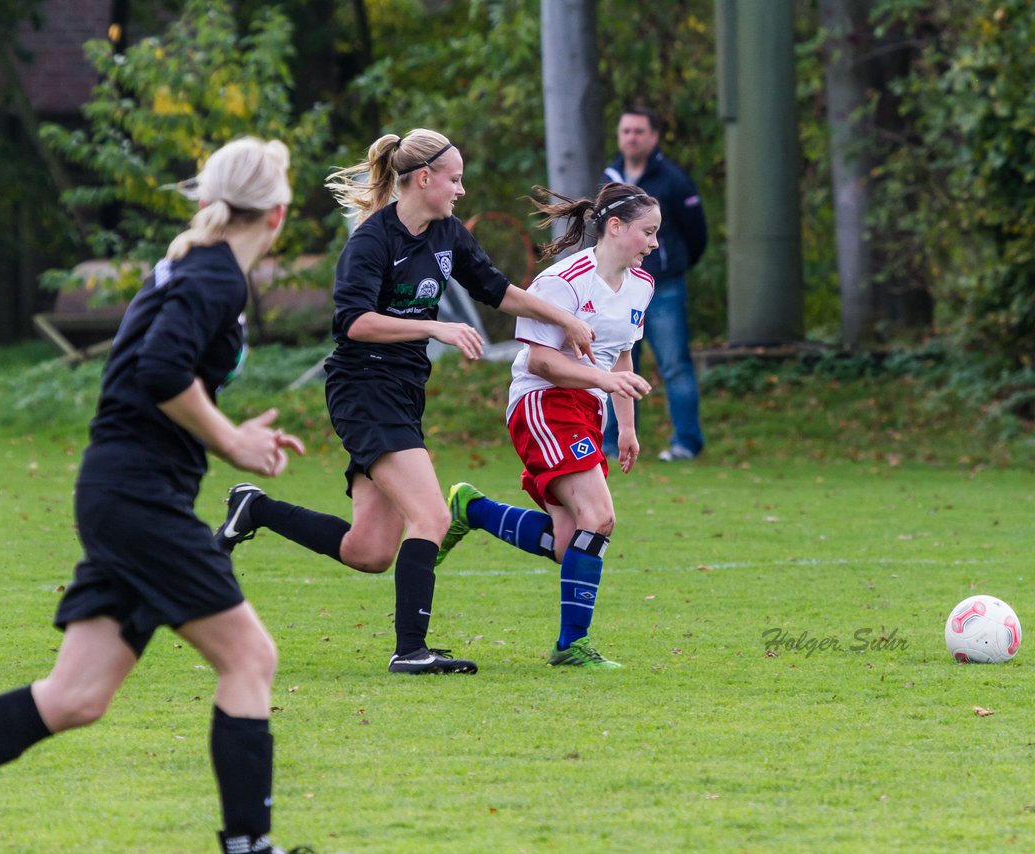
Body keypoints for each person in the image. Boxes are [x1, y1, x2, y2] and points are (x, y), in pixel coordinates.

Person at [0, 138, 312, 854]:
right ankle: (250, 847)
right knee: (250, 659)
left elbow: (160, 375)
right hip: (137, 499)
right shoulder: (213, 276)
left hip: (125, 492)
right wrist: (231, 440)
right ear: (279, 214)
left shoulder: (194, 267)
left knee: (75, 697)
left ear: (210, 200)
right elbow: (158, 369)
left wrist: (224, 431)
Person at [211, 128, 596, 676]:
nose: (461, 190)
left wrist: (566, 318)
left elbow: (498, 290)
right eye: (455, 179)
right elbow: (355, 322)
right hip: (363, 389)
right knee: (433, 515)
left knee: (368, 551)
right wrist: (434, 327)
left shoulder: (446, 235)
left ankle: (257, 509)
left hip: (402, 392)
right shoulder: (372, 241)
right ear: (423, 179)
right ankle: (410, 650)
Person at [433, 182, 659, 668]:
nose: (654, 244)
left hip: (587, 409)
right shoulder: (563, 281)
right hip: (543, 402)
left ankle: (470, 509)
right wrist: (601, 380)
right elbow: (540, 362)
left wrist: (627, 429)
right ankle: (571, 646)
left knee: (566, 544)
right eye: (648, 232)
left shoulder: (642, 284)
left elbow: (622, 358)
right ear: (615, 228)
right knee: (599, 519)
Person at [601, 105, 708, 461]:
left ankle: (686, 442)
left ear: (654, 137)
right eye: (626, 131)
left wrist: (669, 264)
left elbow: (696, 233)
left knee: (675, 364)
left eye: (639, 131)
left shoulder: (674, 179)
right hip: (618, 288)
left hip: (663, 288)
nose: (631, 137)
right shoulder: (611, 178)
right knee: (618, 362)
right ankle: (613, 443)